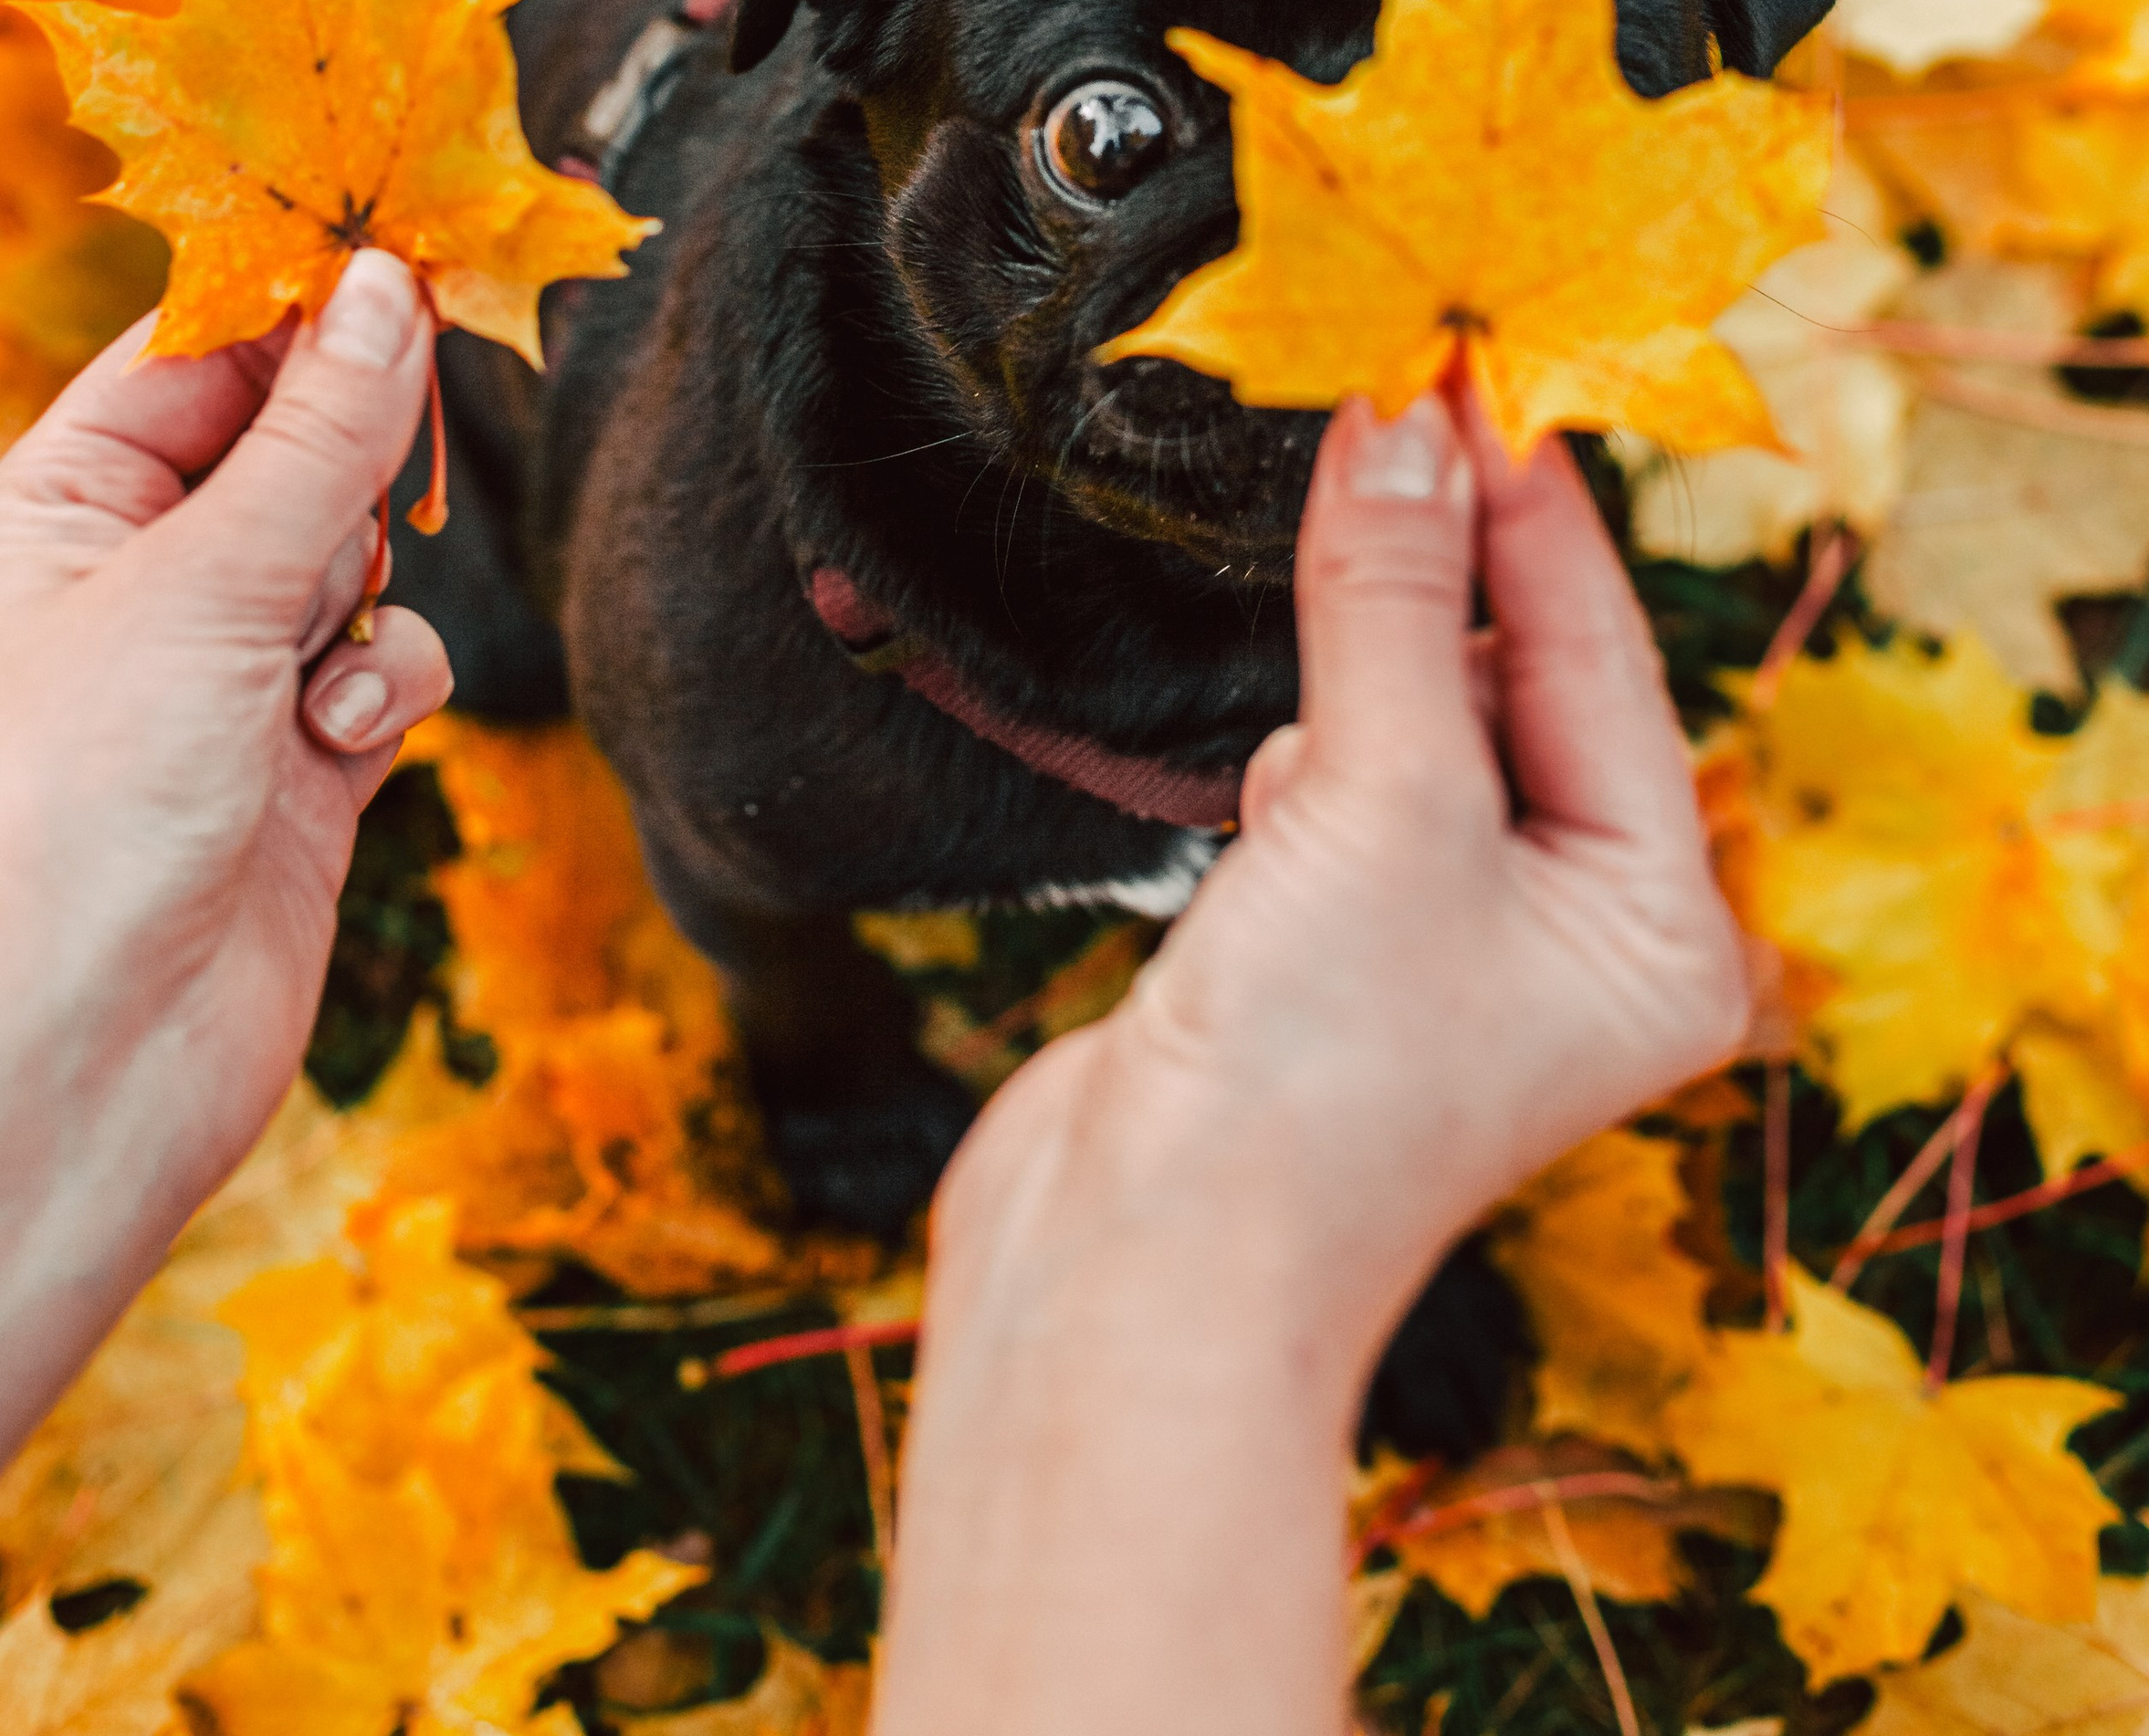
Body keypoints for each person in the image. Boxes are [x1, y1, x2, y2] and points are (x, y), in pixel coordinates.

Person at [0, 252, 1752, 1736]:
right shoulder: (738, 635)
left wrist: (55, 942)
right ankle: (827, 1075)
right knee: (516, 661)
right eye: (1111, 135)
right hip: (644, 546)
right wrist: (1221, 1225)